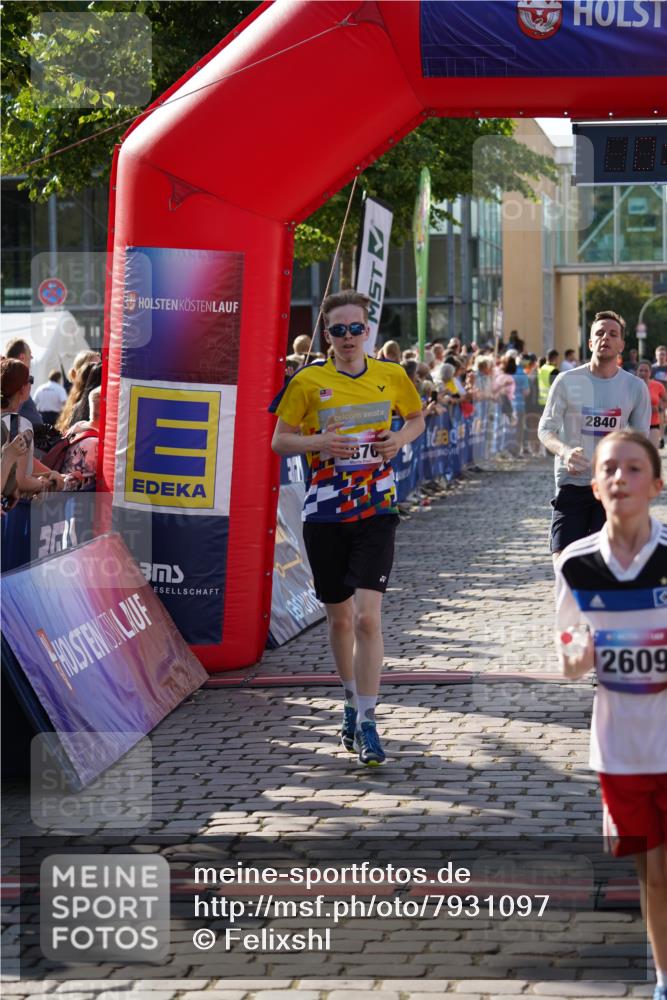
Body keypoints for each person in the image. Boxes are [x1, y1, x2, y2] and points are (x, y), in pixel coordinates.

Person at [271, 290, 424, 766]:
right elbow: (279, 441)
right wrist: (318, 441)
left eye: (356, 328)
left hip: (377, 508)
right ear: (326, 334)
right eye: (339, 330)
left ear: (368, 330)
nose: (349, 337)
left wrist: (399, 437)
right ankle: (349, 697)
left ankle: (369, 721)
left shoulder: (391, 375)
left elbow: (416, 418)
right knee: (339, 618)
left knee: (367, 618)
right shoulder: (308, 381)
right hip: (324, 510)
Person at [554, 431, 666, 1000]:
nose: (621, 478)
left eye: (634, 468)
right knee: (652, 872)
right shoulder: (577, 563)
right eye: (610, 470)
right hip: (620, 748)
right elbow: (569, 656)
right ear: (595, 486)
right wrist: (587, 653)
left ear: (657, 483)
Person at [538, 311, 651, 558]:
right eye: (599, 333)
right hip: (572, 484)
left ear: (621, 344)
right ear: (590, 343)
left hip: (611, 487)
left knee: (606, 563)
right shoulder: (567, 381)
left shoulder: (635, 387)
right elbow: (545, 429)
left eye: (613, 334)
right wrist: (565, 451)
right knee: (564, 563)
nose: (605, 338)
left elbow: (640, 442)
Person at [1, 359, 64, 496]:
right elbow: (19, 481)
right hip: (11, 510)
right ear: (24, 388)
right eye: (30, 379)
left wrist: (48, 474)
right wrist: (45, 483)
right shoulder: (18, 425)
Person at [4, 338, 41, 428]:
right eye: (30, 355)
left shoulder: (7, 378)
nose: (31, 358)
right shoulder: (16, 381)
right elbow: (11, 415)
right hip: (24, 438)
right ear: (22, 357)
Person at [636, 360, 667, 451]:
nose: (643, 373)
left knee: (652, 453)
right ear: (637, 372)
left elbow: (665, 400)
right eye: (641, 370)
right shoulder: (630, 385)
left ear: (650, 372)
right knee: (638, 452)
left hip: (653, 424)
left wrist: (660, 408)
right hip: (635, 425)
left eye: (646, 371)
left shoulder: (658, 385)